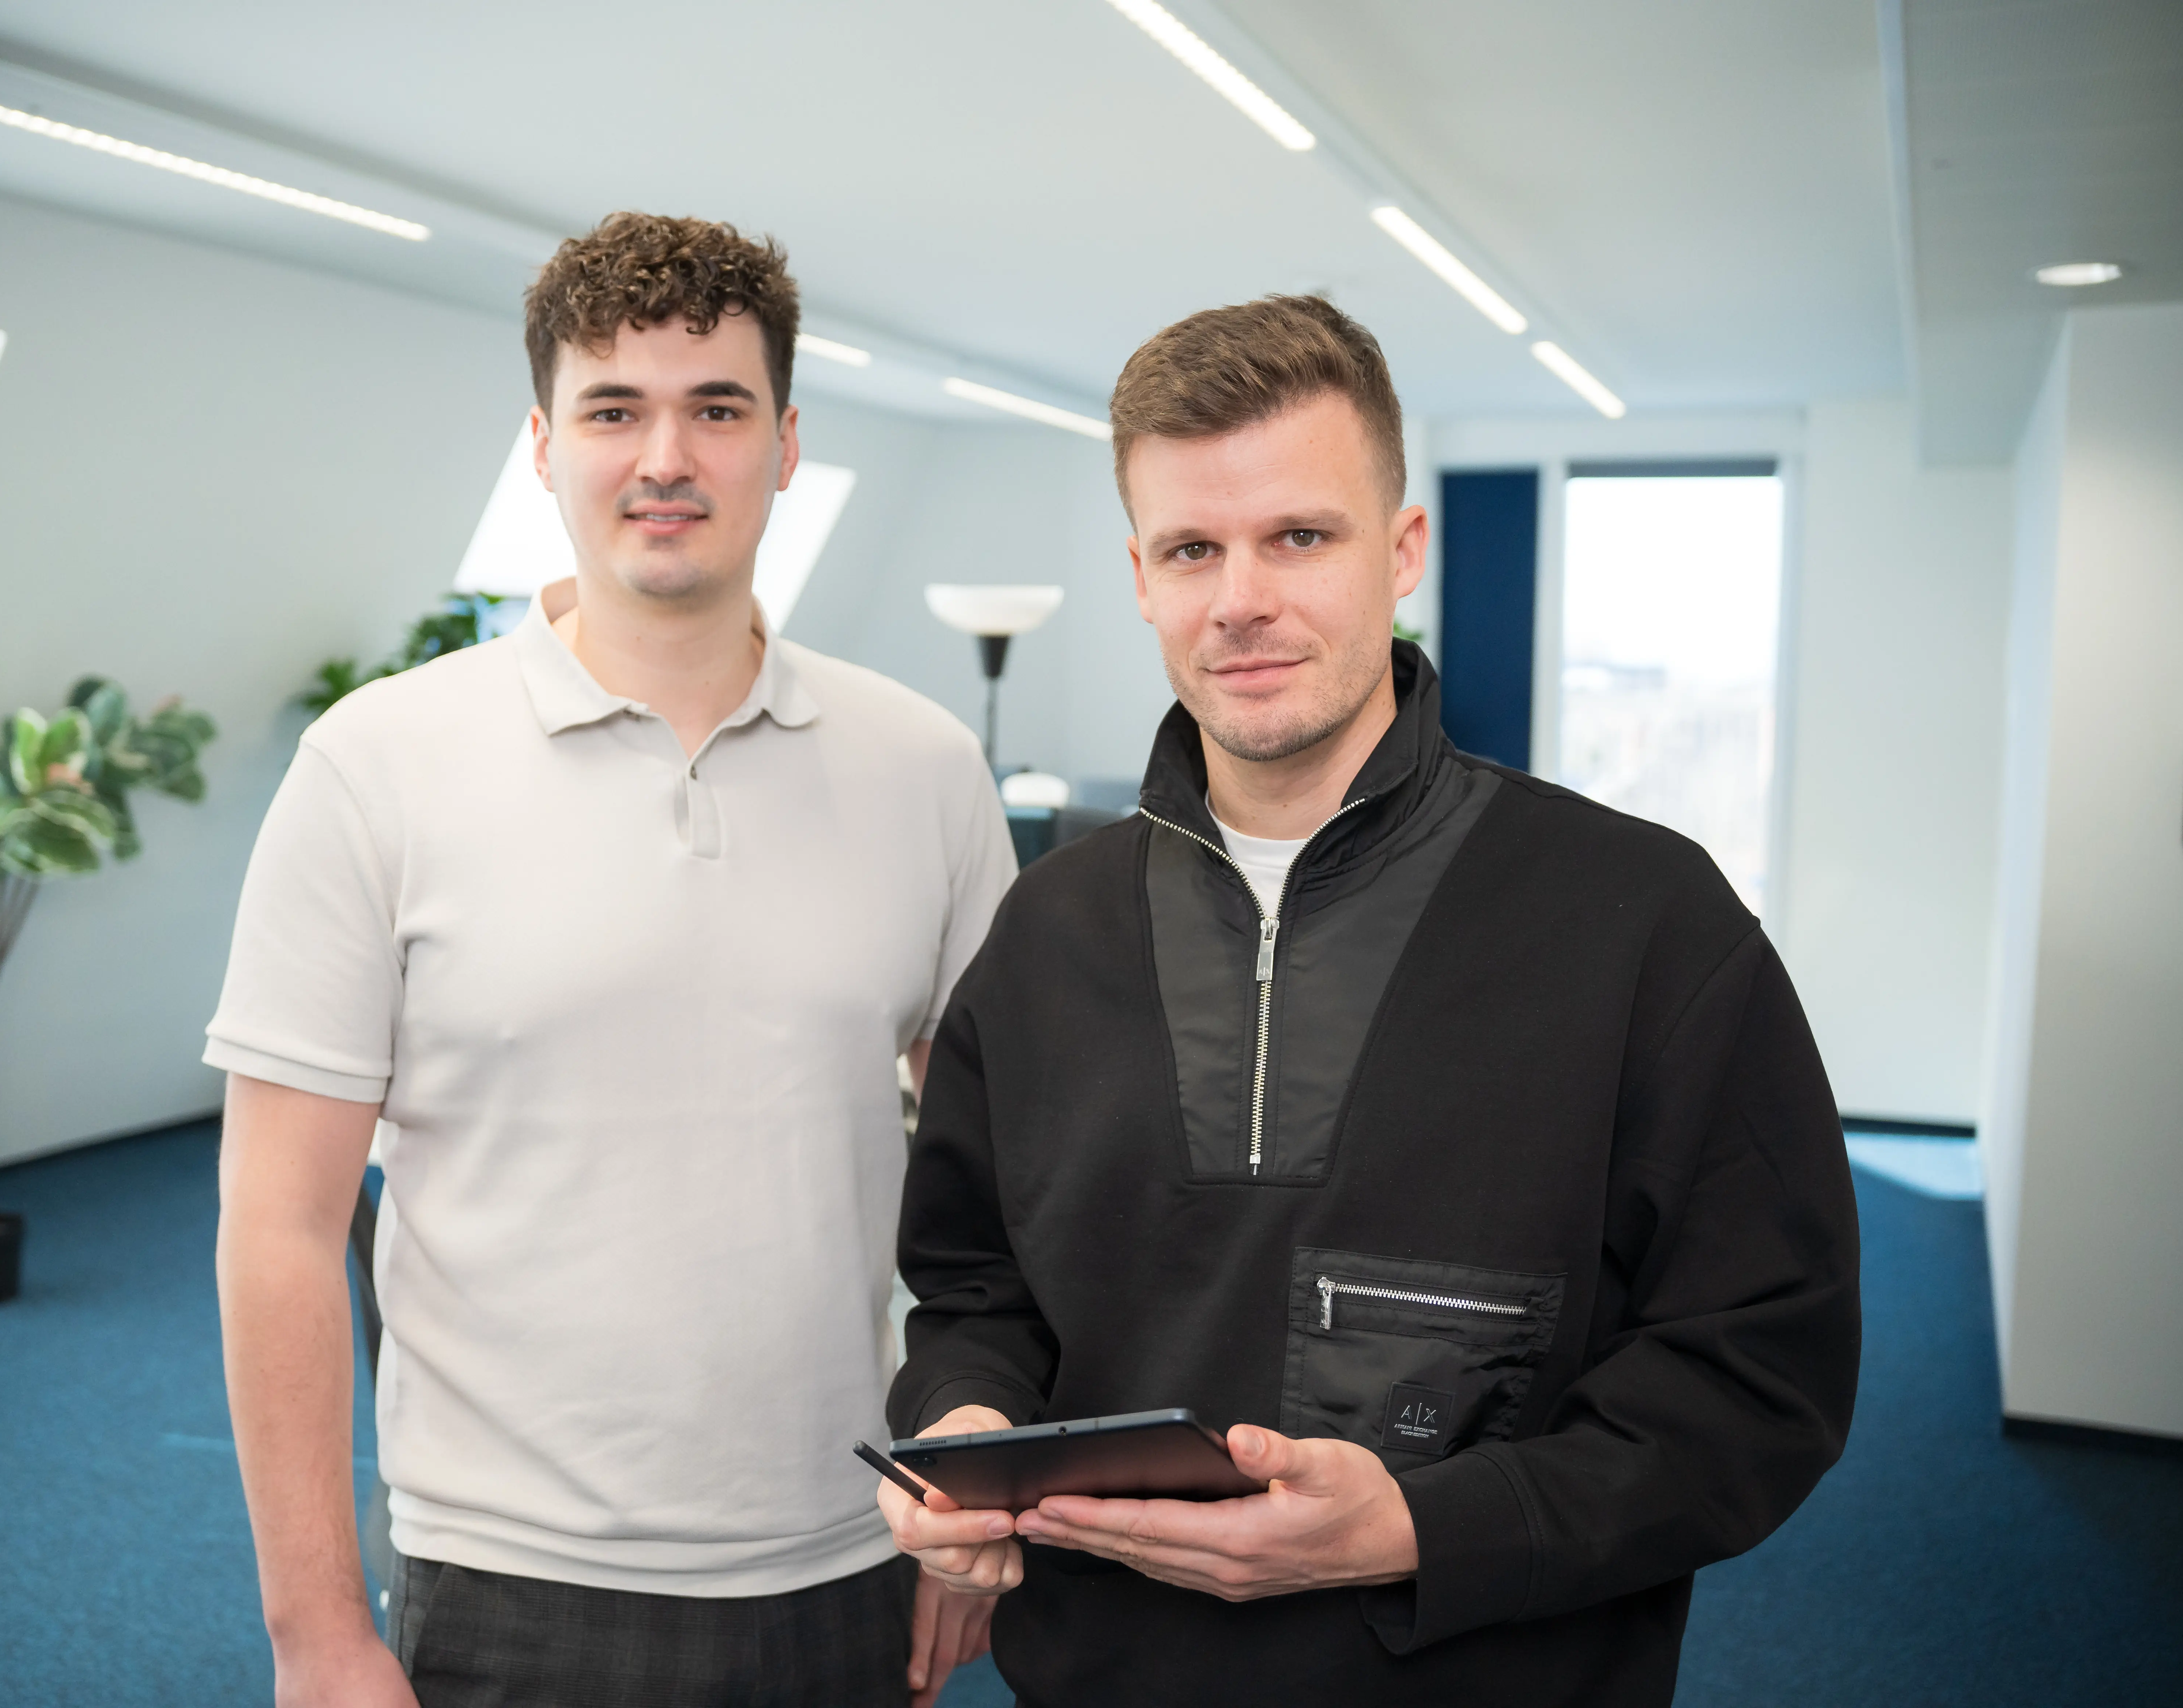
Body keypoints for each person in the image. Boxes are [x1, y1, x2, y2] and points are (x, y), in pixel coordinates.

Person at [878, 295, 1859, 1705]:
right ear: (1142, 578)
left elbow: (1759, 1377)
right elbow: (978, 1290)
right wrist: (964, 1427)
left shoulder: (1646, 920)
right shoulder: (1050, 932)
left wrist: (1414, 1526)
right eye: (1193, 550)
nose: (1242, 600)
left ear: (1401, 553)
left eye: (1300, 537)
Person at [211, 212, 1015, 1708]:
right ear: (543, 443)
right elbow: (276, 1228)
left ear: (785, 443)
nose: (666, 458)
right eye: (614, 410)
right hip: (513, 1573)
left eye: (717, 408)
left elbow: (1005, 1186)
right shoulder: (376, 763)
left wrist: (978, 1474)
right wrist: (314, 1630)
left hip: (853, 1547)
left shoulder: (928, 768)